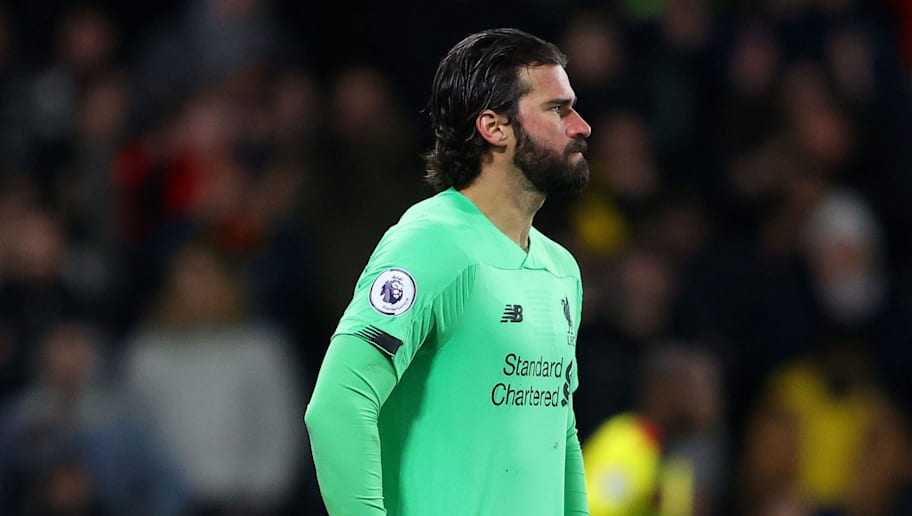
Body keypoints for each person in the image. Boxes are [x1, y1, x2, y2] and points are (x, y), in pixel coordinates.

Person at [305, 28, 593, 515]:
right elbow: (337, 406)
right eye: (557, 109)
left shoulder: (560, 269)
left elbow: (559, 432)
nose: (581, 125)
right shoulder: (431, 243)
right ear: (494, 127)